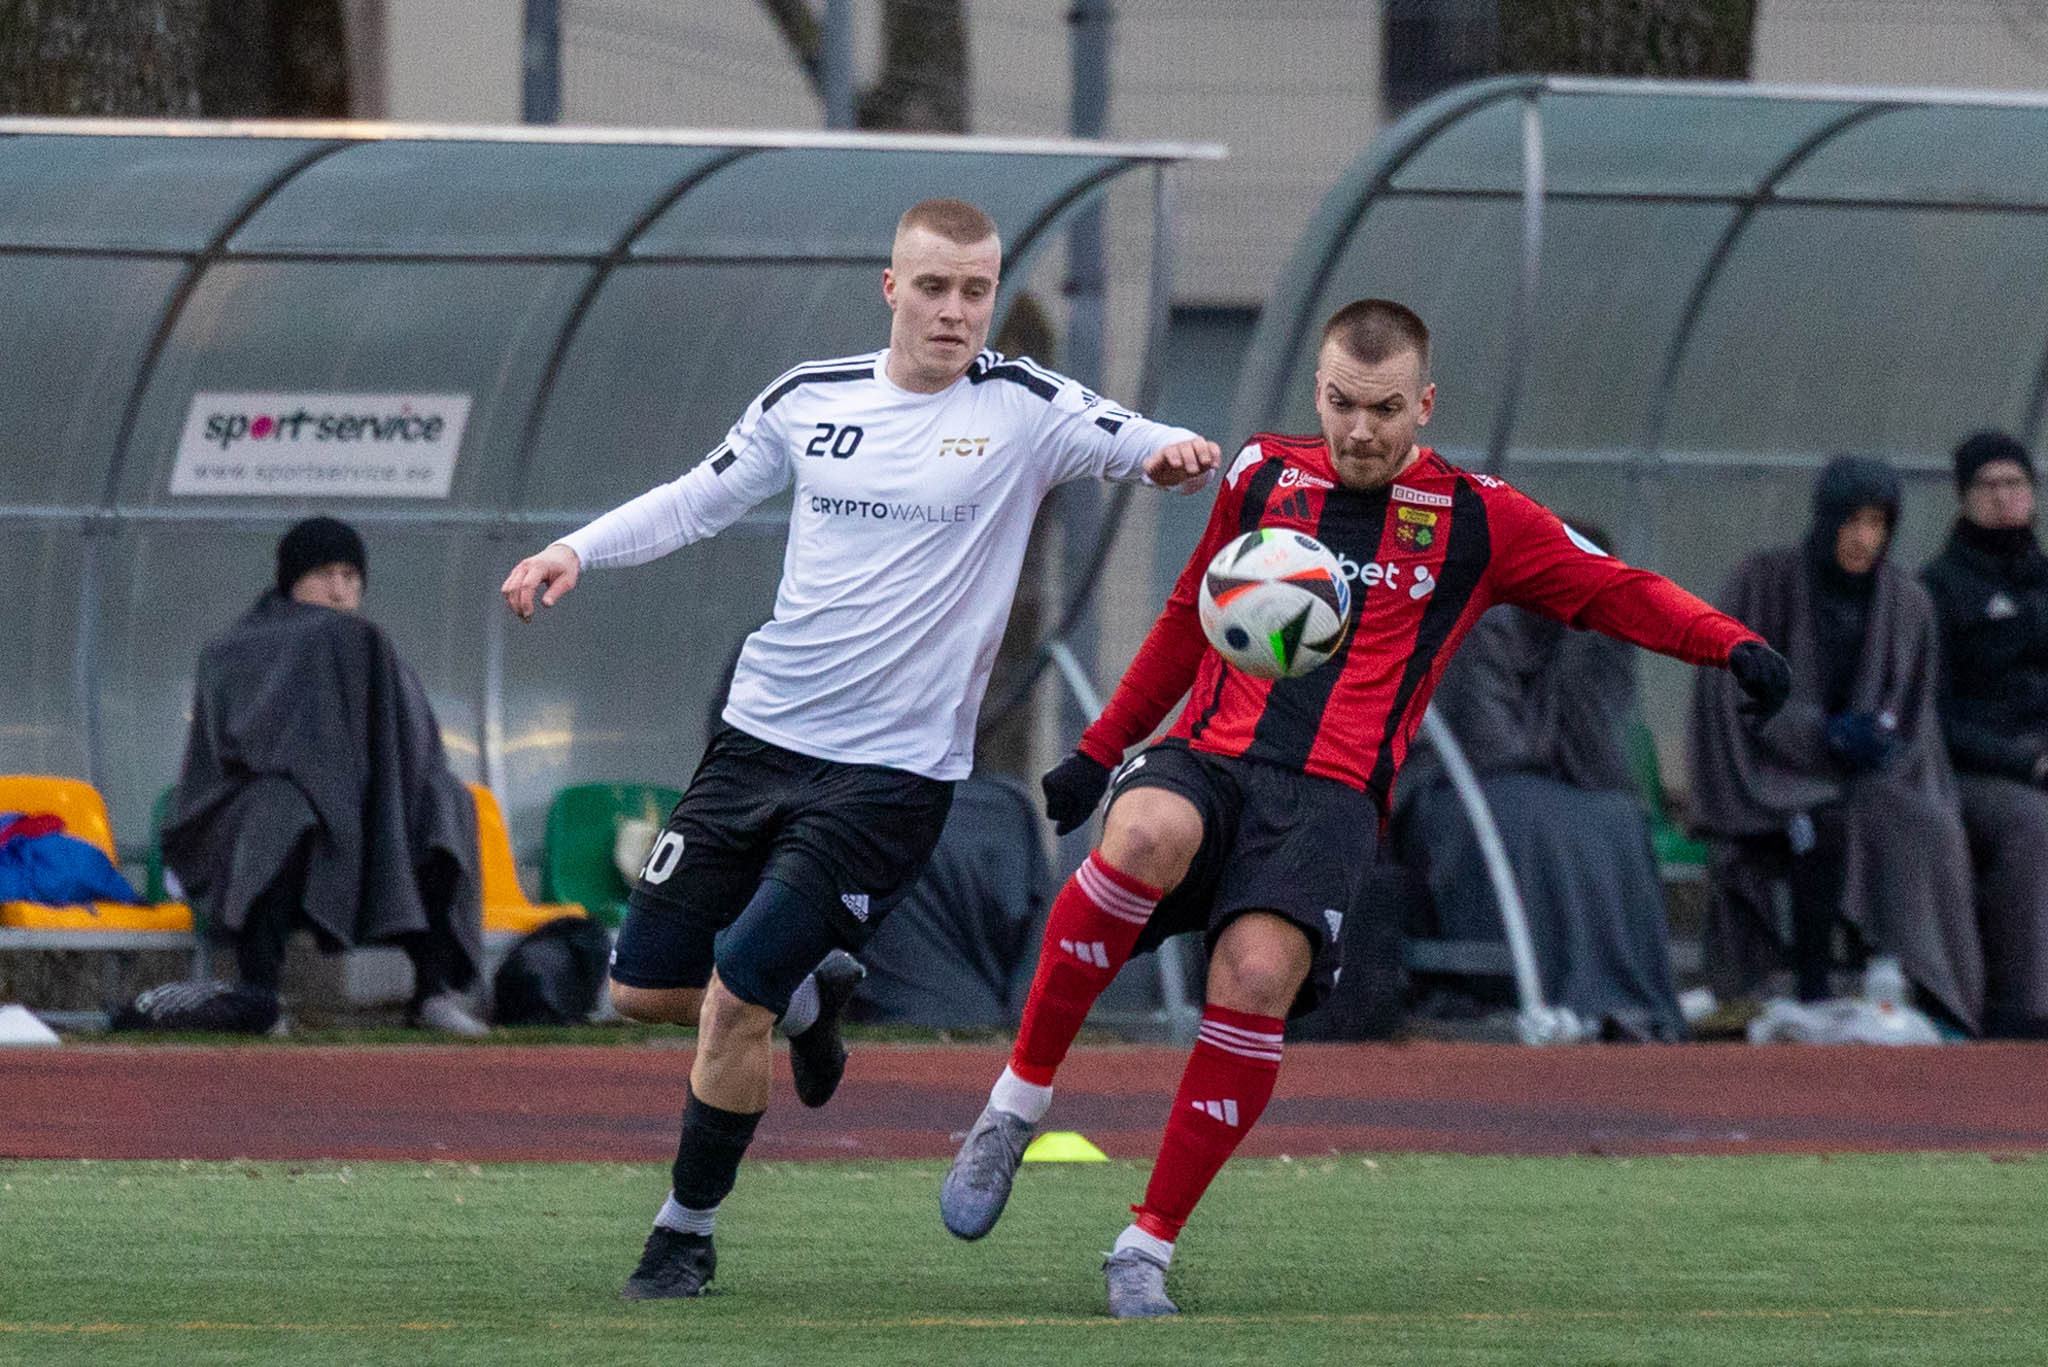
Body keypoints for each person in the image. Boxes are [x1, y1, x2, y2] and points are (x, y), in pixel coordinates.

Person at [938, 298, 1790, 1318]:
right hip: (1210, 755)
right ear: (1317, 392)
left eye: (1383, 408)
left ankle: (1144, 1243)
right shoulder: (1260, 473)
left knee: (1251, 975)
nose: (1359, 429)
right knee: (1142, 832)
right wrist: (1097, 749)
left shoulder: (1475, 517)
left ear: (1422, 405)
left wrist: (1728, 643)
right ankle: (1013, 1103)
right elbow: (1184, 613)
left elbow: (1615, 588)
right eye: (1342, 402)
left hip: (1331, 798)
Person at [497, 197, 1220, 1300]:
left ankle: (682, 1231)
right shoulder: (809, 398)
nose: (954, 310)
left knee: (730, 995)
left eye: (974, 290)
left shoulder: (1023, 405)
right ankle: (809, 997)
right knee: (642, 990)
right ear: (892, 288)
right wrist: (573, 550)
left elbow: (1131, 439)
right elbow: (698, 499)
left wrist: (1174, 453)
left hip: (890, 778)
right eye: (933, 287)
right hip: (758, 738)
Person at [161, 516, 487, 1036]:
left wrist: (376, 797)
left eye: (350, 576)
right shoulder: (242, 647)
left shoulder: (369, 645)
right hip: (254, 818)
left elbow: (412, 746)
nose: (340, 589)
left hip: (367, 820)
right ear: (292, 580)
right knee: (277, 811)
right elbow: (242, 745)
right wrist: (323, 781)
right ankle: (259, 994)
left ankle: (434, 991)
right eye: (324, 574)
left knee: (446, 801)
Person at [1687, 455, 1980, 1031]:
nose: (1864, 539)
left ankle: (1927, 988)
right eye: (1853, 522)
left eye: (1878, 525)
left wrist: (1879, 738)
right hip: (1771, 777)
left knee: (1929, 823)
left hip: (1869, 778)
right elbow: (1734, 693)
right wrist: (1817, 734)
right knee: (1816, 827)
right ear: (1825, 522)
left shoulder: (1907, 603)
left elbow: (1912, 713)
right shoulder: (1762, 582)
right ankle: (1813, 990)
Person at [1394, 585, 1687, 1042]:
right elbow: (1486, 743)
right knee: (1541, 819)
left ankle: (1620, 996)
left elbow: (1599, 762)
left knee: (1619, 819)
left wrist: (1591, 642)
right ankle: (1567, 989)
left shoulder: (1577, 634)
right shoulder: (1477, 617)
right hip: (1449, 785)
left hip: (1533, 784)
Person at [1924, 431, 2048, 1036]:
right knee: (2033, 824)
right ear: (1964, 496)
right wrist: (2025, 763)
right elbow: (1932, 713)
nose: (2005, 498)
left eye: (2016, 484)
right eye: (1989, 485)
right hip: (1974, 774)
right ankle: (2024, 1004)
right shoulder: (1937, 590)